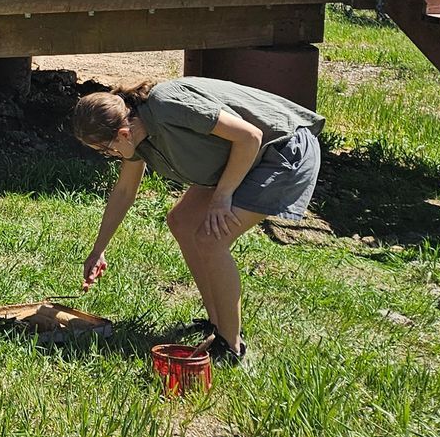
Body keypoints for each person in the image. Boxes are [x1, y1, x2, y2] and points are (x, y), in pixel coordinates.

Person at [72, 76, 325, 365]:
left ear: (123, 135)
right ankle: (218, 326)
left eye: (107, 150)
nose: (110, 156)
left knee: (211, 239)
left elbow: (250, 137)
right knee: (182, 221)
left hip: (281, 150)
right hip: (241, 158)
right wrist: (98, 250)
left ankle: (231, 347)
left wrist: (222, 197)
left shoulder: (167, 105)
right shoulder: (136, 133)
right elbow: (125, 191)